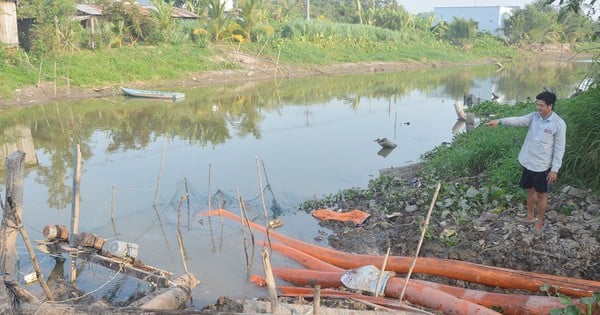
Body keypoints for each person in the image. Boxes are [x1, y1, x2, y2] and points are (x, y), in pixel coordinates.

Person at [485, 91, 567, 233]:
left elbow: (560, 148)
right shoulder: (534, 117)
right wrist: (500, 121)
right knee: (530, 190)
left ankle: (540, 222)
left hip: (543, 166)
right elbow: (519, 120)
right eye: (537, 105)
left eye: (541, 105)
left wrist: (555, 169)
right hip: (528, 162)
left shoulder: (558, 124)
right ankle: (530, 216)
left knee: (542, 194)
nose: (538, 108)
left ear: (550, 106)